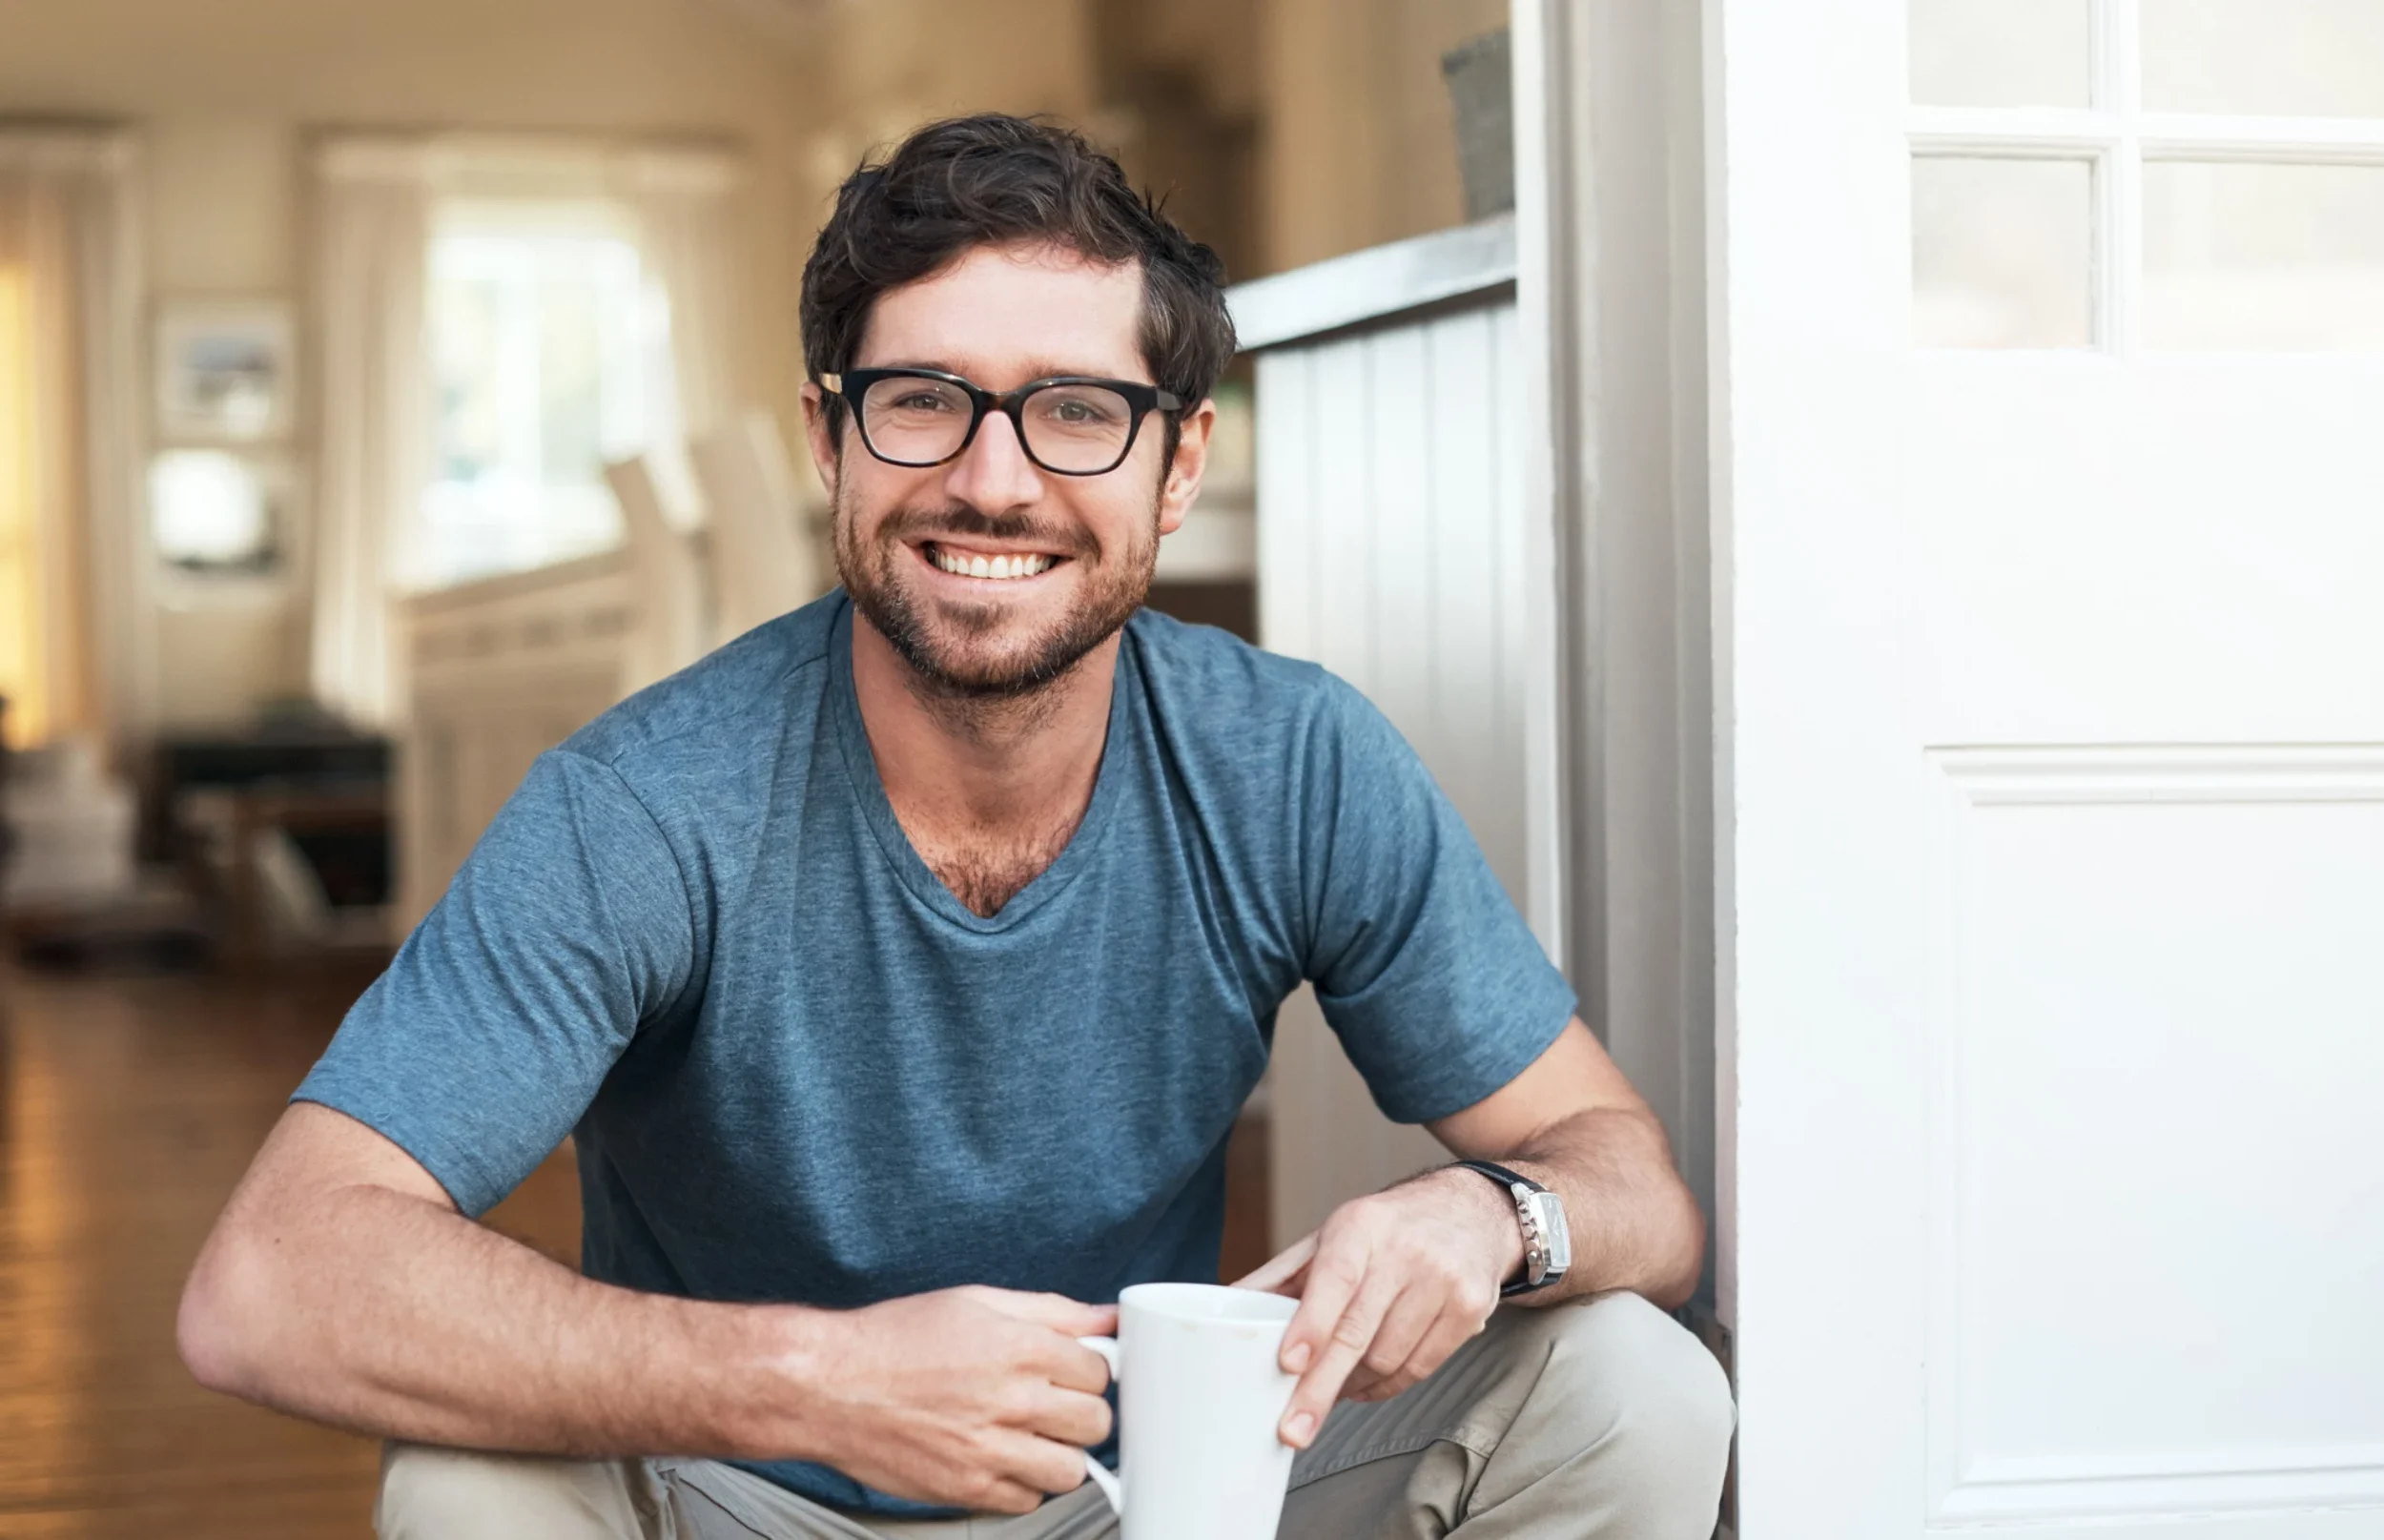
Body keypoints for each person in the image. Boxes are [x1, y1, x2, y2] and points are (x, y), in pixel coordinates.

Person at [177, 114, 1734, 1539]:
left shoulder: (1295, 760)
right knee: (462, 1482)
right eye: (924, 403)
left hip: (1132, 1492)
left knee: (1629, 1383)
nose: (995, 483)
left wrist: (1489, 1211)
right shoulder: (641, 807)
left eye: (1076, 412)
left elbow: (1639, 1199)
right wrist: (816, 1380)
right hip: (728, 1491)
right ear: (828, 436)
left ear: (1178, 463)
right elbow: (268, 1281)